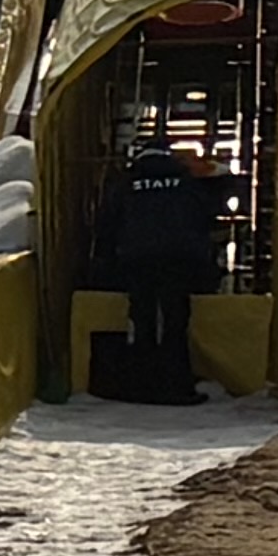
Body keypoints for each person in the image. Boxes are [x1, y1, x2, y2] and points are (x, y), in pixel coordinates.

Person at [98, 141, 227, 403]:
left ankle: (141, 384)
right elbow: (206, 214)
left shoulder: (126, 184)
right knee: (175, 321)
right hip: (179, 260)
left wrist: (109, 263)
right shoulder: (186, 182)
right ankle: (176, 385)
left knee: (142, 320)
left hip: (137, 260)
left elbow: (108, 224)